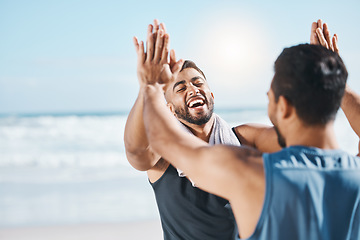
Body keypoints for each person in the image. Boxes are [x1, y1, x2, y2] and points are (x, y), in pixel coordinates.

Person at [140, 21, 360, 239]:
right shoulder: (354, 172)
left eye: (269, 97)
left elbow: (161, 141)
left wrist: (150, 86)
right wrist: (337, 83)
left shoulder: (252, 172)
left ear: (283, 107)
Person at [125, 20, 280, 239]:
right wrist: (148, 88)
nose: (192, 89)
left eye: (198, 83)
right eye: (181, 88)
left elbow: (301, 140)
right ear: (169, 108)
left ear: (211, 95)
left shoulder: (245, 139)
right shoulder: (165, 153)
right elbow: (136, 153)